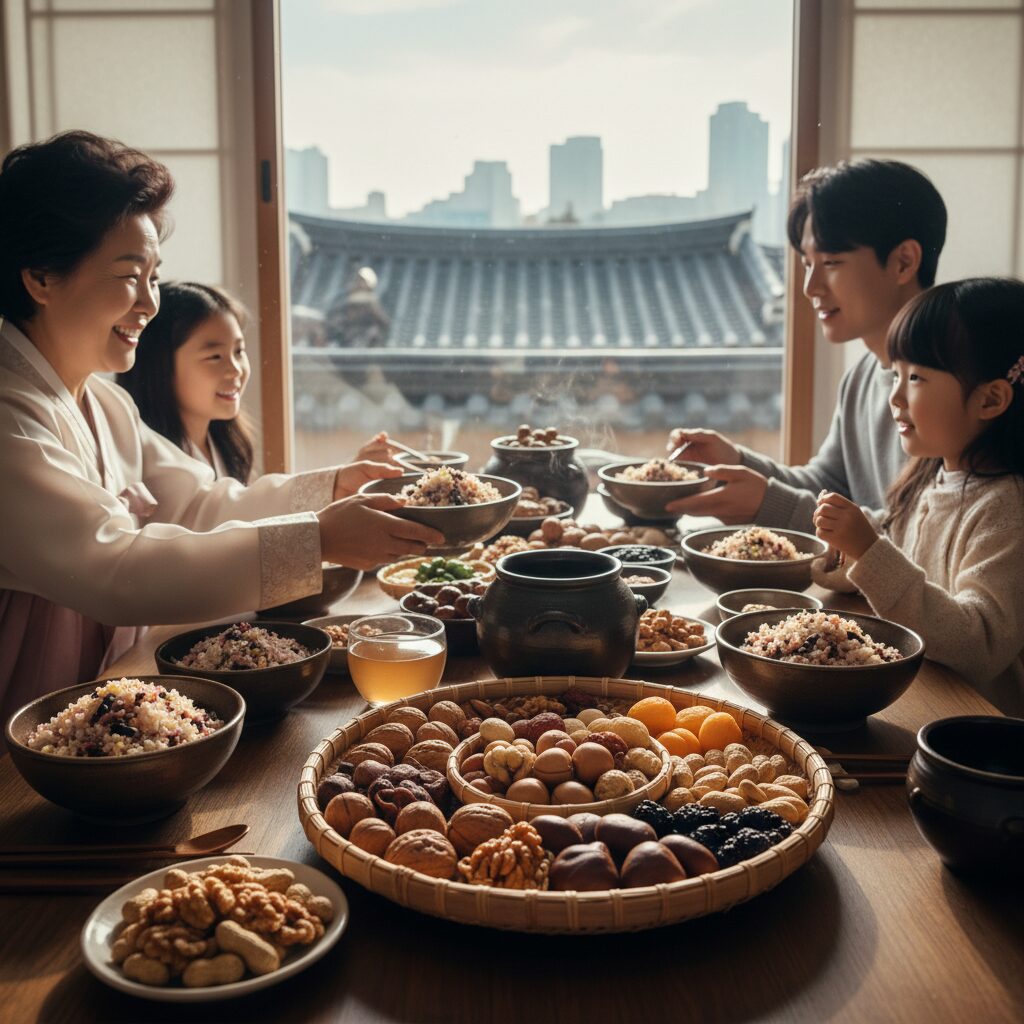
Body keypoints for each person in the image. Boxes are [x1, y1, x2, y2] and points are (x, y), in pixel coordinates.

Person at [0, 131, 442, 723]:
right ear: (42, 278)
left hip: (90, 711)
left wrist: (333, 488)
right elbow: (112, 569)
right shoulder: (10, 419)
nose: (149, 304)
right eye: (129, 275)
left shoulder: (104, 404)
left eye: (154, 277)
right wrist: (319, 538)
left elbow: (201, 503)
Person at [664, 159, 947, 530]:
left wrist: (769, 504)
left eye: (830, 262)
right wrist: (737, 463)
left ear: (903, 262)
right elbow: (828, 487)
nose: (810, 288)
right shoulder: (864, 374)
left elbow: (925, 538)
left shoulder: (952, 382)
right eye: (806, 263)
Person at [813, 279, 1024, 716]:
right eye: (896, 374)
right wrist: (840, 554)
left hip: (977, 729)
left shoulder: (1007, 508)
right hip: (923, 695)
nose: (894, 395)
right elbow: (899, 557)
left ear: (991, 399)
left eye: (916, 377)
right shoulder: (932, 476)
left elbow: (977, 642)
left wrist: (867, 550)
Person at [117, 282, 405, 483]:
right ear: (160, 366)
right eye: (214, 356)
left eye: (239, 351)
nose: (235, 369)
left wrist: (346, 475)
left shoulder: (225, 443)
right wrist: (338, 481)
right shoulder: (152, 463)